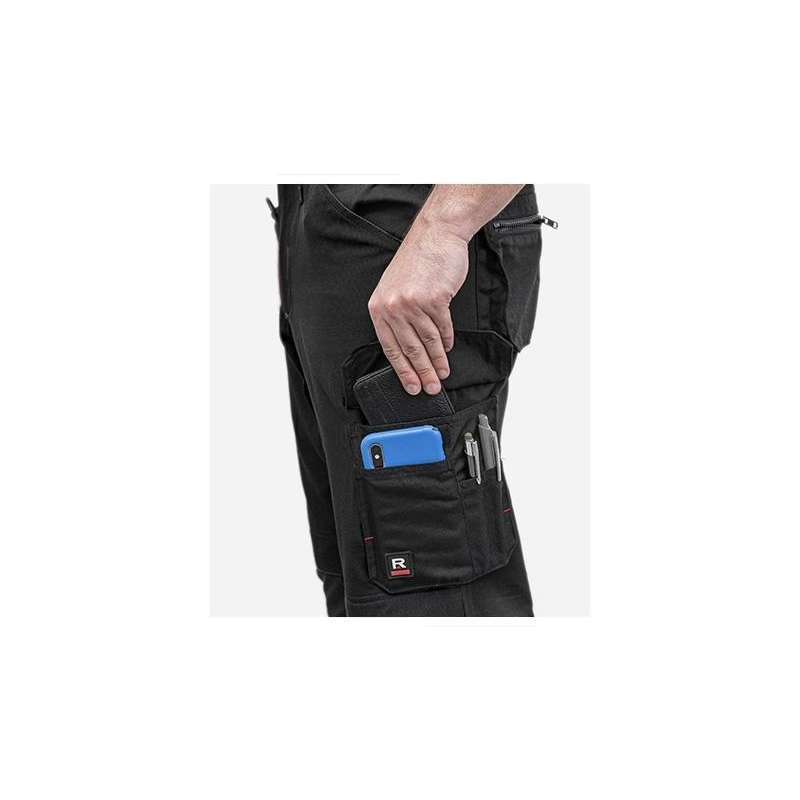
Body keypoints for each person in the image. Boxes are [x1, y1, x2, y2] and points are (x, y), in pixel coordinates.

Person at [270, 184, 550, 616]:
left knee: (431, 588)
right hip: (318, 223)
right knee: (359, 580)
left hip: (411, 225)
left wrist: (444, 227)